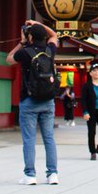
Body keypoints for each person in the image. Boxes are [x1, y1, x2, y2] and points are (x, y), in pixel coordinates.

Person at [7, 20, 60, 185]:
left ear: (29, 36)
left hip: (29, 100)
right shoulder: (50, 50)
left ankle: (30, 174)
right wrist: (37, 24)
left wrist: (21, 43)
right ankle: (52, 174)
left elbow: (9, 59)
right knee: (49, 138)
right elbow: (54, 35)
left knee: (29, 139)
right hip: (48, 100)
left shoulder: (25, 52)